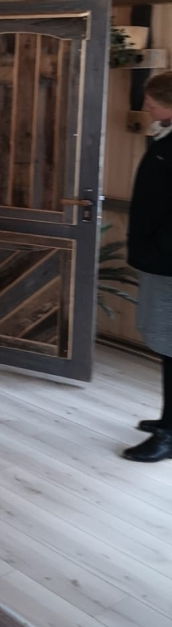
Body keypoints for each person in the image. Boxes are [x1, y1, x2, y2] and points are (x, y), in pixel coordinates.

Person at [123, 71, 172, 462]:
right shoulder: (165, 138)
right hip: (160, 260)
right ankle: (168, 420)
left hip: (169, 263)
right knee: (167, 345)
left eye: (152, 102)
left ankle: (169, 435)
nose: (147, 107)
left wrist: (158, 250)